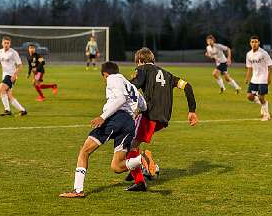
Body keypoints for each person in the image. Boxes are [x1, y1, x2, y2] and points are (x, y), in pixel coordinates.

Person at [59, 62, 150, 198]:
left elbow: (120, 98)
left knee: (84, 151)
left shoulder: (112, 78)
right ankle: (140, 160)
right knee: (117, 166)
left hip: (115, 119)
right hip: (129, 124)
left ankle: (78, 190)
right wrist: (134, 112)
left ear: (105, 74)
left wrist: (103, 117)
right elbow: (144, 107)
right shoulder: (132, 87)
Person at [126, 47, 199, 191]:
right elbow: (187, 87)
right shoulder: (167, 74)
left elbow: (133, 86)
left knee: (130, 144)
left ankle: (140, 179)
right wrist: (192, 111)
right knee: (136, 140)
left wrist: (125, 84)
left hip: (149, 115)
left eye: (137, 63)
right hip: (163, 118)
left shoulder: (142, 69)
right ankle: (135, 169)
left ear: (140, 61)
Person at [0, 36, 27, 116]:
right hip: (5, 76)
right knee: (8, 94)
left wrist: (15, 75)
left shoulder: (13, 52)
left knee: (1, 89)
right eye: (5, 43)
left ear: (10, 44)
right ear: (2, 43)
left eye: (8, 43)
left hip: (11, 75)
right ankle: (23, 110)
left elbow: (20, 65)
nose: (6, 44)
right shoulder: (0, 52)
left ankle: (7, 110)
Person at [245, 36, 272, 121]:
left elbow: (270, 66)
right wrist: (247, 78)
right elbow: (249, 67)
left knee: (261, 97)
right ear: (250, 43)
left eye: (256, 42)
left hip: (263, 78)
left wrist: (269, 78)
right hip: (254, 79)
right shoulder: (248, 54)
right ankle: (263, 103)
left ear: (259, 43)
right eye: (252, 42)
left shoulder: (263, 53)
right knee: (249, 96)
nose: (254, 43)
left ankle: (266, 115)